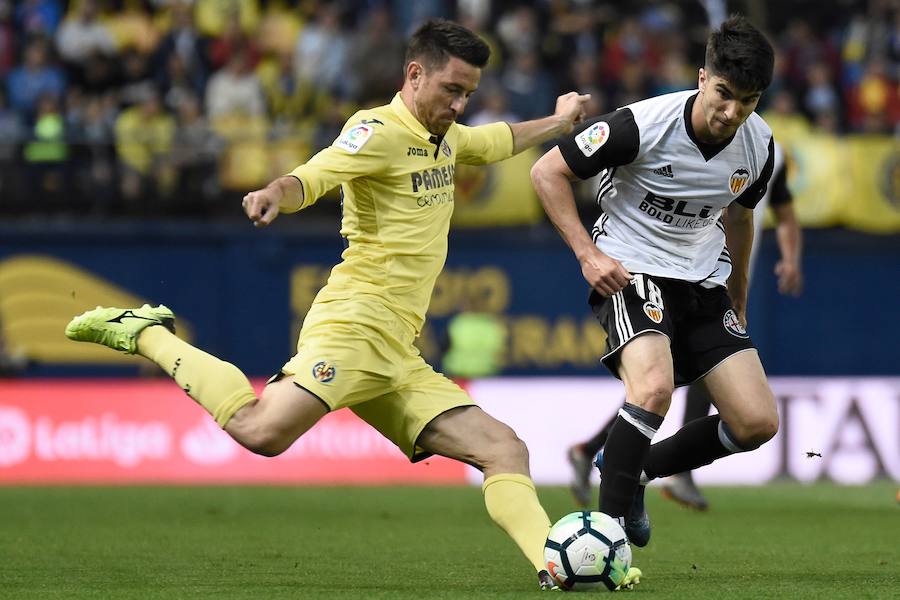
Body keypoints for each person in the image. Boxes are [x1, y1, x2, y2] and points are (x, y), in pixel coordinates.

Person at [64, 19, 638, 592]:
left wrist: (560, 122)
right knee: (261, 430)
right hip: (356, 324)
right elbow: (316, 175)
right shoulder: (376, 130)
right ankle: (147, 333)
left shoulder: (446, 139)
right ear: (415, 74)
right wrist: (275, 192)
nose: (460, 105)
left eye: (467, 94)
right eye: (451, 90)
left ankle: (555, 565)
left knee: (504, 449)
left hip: (397, 351)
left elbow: (496, 142)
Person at [530, 15, 778, 549]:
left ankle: (634, 469)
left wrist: (737, 295)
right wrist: (587, 254)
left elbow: (740, 217)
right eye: (724, 94)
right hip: (631, 265)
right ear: (702, 77)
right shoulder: (642, 125)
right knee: (653, 389)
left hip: (703, 280)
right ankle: (606, 541)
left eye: (748, 101)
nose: (732, 113)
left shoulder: (759, 144)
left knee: (756, 422)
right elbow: (547, 172)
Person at [565, 139, 803, 510]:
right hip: (660, 271)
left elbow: (777, 214)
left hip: (717, 278)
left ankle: (605, 455)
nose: (732, 114)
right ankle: (649, 481)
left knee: (672, 387)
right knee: (658, 386)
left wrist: (786, 261)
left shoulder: (766, 149)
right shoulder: (670, 133)